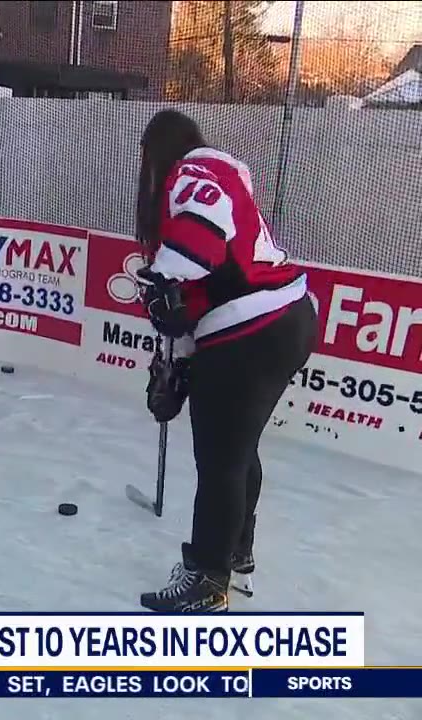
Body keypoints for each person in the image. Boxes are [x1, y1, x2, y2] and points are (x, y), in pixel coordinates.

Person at [133, 109, 316, 613]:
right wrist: (180, 362)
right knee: (236, 450)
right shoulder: (227, 177)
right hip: (283, 320)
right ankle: (236, 551)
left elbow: (198, 246)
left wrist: (159, 279)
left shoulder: (194, 172)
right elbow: (196, 298)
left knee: (219, 460)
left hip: (253, 326)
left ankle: (207, 580)